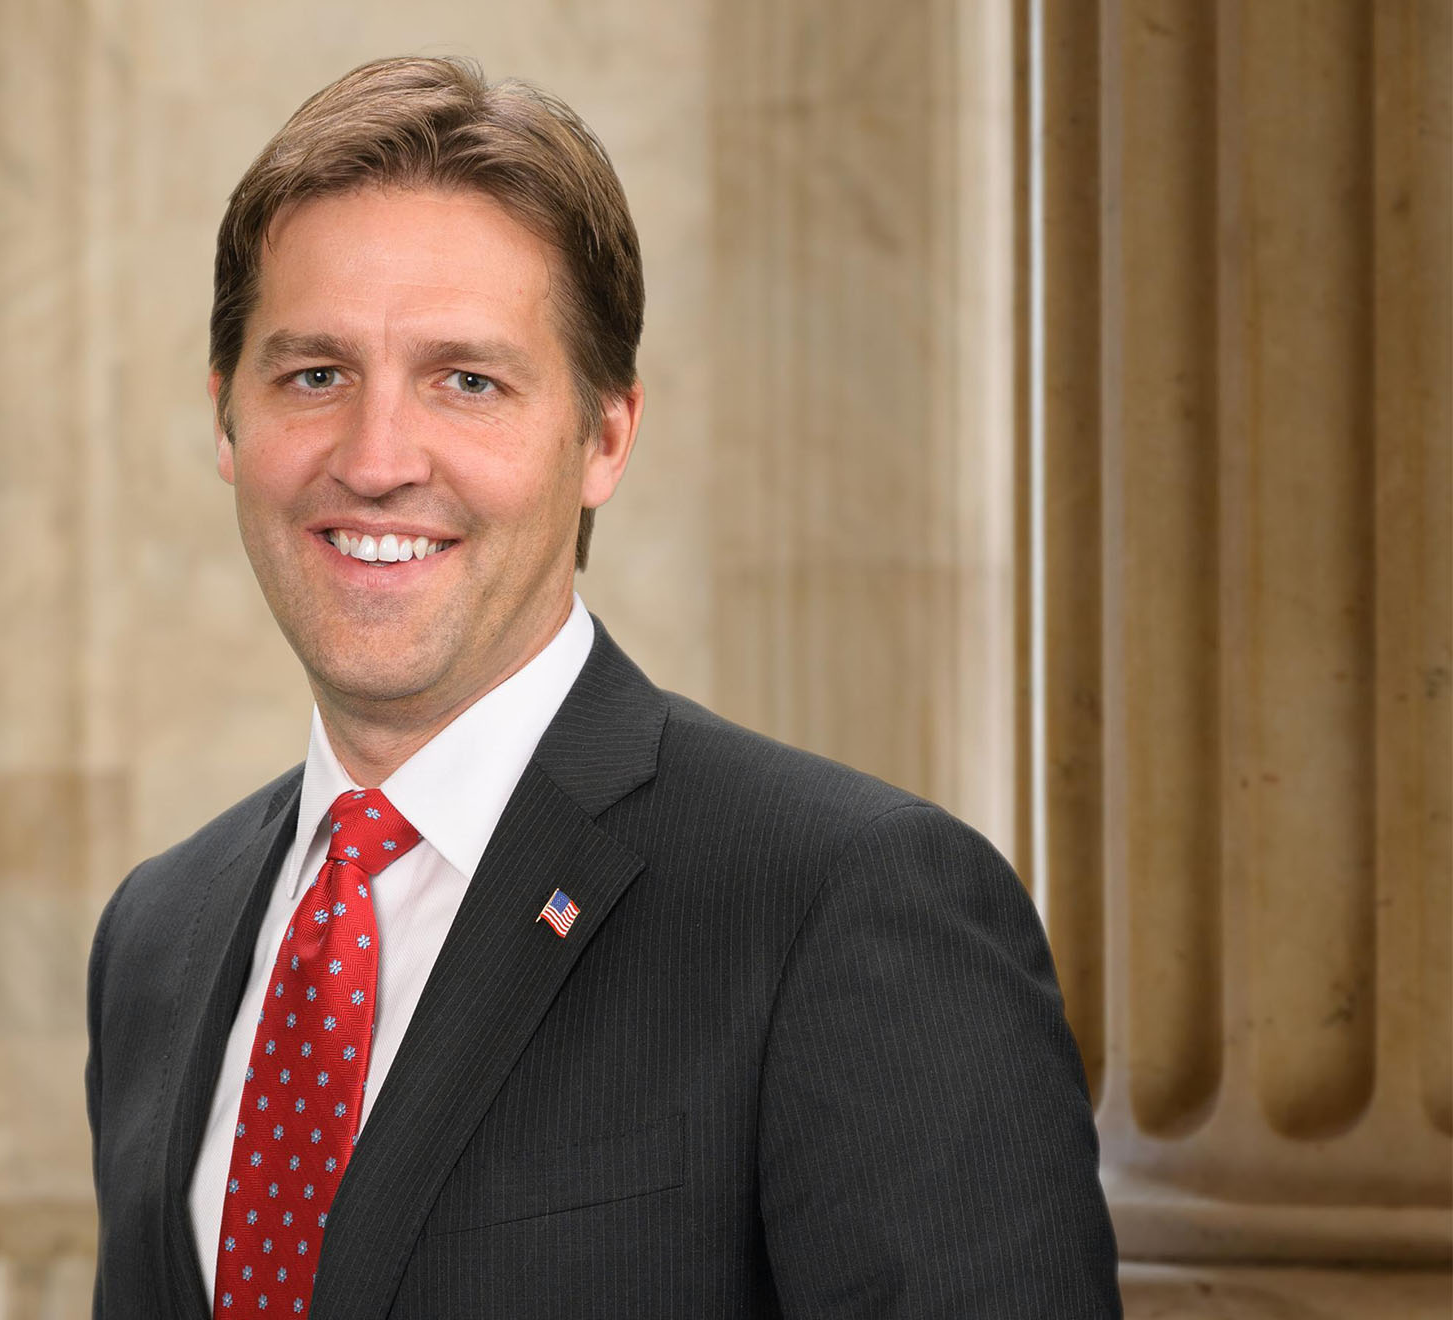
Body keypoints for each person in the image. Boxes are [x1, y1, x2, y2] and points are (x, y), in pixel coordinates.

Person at [84, 55, 1119, 1319]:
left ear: (605, 438)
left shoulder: (844, 905)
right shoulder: (159, 934)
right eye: (314, 375)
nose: (376, 457)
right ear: (226, 420)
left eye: (467, 381)